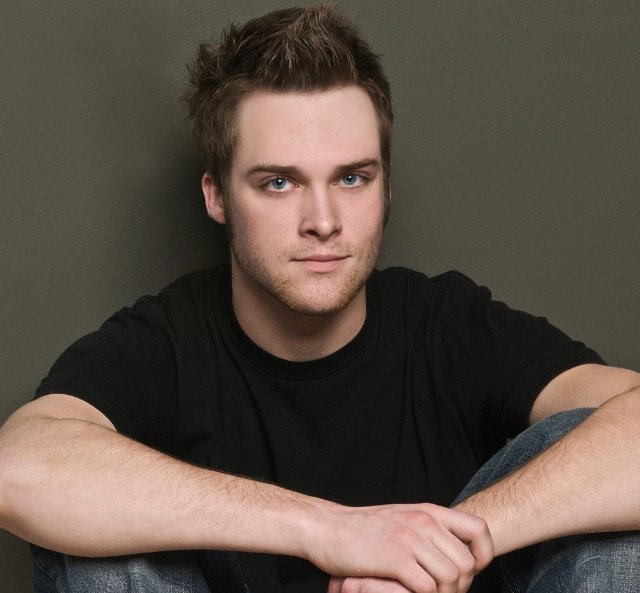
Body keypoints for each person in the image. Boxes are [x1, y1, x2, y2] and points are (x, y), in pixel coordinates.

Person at [1, 4, 639, 593]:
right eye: (279, 183)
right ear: (216, 196)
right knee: (99, 526)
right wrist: (331, 530)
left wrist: (438, 549)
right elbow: (19, 469)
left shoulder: (447, 326)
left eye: (352, 178)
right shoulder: (166, 342)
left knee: (597, 472)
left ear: (385, 189)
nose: (324, 221)